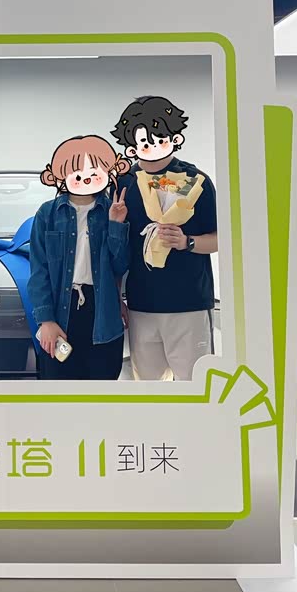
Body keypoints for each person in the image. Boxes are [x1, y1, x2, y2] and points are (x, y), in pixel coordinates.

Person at [112, 96, 218, 382]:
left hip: (189, 302)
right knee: (147, 387)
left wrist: (187, 242)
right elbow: (114, 249)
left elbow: (220, 239)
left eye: (160, 137)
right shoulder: (123, 184)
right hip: (141, 303)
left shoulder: (196, 181)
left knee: (196, 385)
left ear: (175, 137)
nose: (153, 145)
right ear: (131, 145)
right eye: (144, 141)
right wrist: (116, 296)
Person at [27, 135, 130, 380]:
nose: (86, 179)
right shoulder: (47, 214)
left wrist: (116, 225)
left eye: (94, 172)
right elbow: (39, 270)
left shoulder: (111, 210)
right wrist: (46, 320)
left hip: (102, 310)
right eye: (77, 172)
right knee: (59, 388)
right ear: (60, 175)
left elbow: (121, 265)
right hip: (61, 309)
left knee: (102, 387)